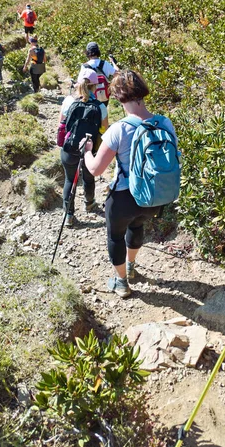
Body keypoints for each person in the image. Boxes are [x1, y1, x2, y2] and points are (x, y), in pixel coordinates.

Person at [82, 70, 178, 298]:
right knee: (137, 226)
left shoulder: (119, 128)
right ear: (142, 92)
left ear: (117, 97)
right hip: (154, 196)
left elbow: (96, 169)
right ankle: (132, 266)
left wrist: (87, 152)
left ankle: (121, 281)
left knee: (115, 236)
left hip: (124, 197)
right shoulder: (165, 123)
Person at [59, 68, 108, 226]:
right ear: (95, 86)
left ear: (78, 84)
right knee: (88, 177)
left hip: (70, 148)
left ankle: (69, 215)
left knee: (69, 179)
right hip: (89, 149)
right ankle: (89, 203)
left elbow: (62, 125)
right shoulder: (100, 107)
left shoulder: (68, 101)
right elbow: (104, 130)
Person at [76, 41, 119, 105]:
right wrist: (113, 62)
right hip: (104, 96)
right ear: (98, 51)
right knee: (103, 112)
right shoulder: (105, 63)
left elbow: (80, 82)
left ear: (87, 52)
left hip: (91, 96)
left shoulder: (85, 66)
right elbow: (117, 74)